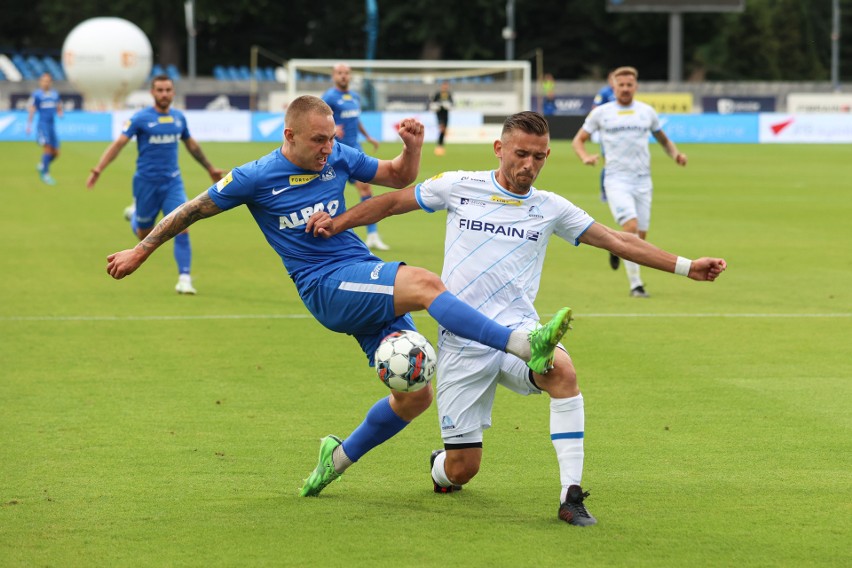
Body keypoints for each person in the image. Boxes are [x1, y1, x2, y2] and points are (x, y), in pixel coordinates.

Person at [104, 95, 574, 500]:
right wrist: (141, 249)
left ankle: (337, 459)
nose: (328, 149)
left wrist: (411, 149)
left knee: (416, 394)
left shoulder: (336, 156)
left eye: (331, 139)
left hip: (359, 275)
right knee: (427, 284)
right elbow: (192, 209)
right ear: (289, 135)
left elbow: (395, 176)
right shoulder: (254, 177)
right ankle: (519, 344)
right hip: (326, 285)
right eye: (318, 141)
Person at [307, 111, 726, 526]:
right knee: (462, 470)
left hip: (521, 333)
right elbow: (393, 202)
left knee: (561, 370)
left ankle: (571, 495)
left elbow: (617, 239)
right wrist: (338, 224)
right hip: (462, 345)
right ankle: (440, 467)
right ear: (499, 149)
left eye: (540, 157)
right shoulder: (459, 185)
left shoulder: (551, 208)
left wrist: (688, 266)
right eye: (521, 154)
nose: (529, 165)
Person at [87, 74, 223, 295]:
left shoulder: (179, 118)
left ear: (173, 93)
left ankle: (184, 278)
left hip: (172, 183)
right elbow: (119, 144)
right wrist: (98, 169)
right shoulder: (140, 118)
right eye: (159, 90)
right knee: (143, 234)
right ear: (152, 92)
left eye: (168, 90)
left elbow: (192, 146)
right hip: (146, 184)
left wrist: (209, 168)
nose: (164, 94)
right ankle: (134, 215)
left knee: (183, 225)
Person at [572, 66, 688, 298]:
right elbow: (579, 140)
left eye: (629, 85)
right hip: (616, 179)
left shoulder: (646, 112)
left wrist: (675, 154)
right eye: (621, 85)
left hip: (643, 181)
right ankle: (636, 285)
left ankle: (617, 248)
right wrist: (585, 157)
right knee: (631, 228)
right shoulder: (601, 113)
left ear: (635, 87)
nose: (625, 89)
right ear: (612, 87)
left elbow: (663, 139)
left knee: (640, 239)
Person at [321, 63, 389, 251]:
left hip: (355, 151)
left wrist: (368, 137)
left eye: (346, 73)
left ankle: (373, 235)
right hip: (336, 152)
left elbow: (355, 119)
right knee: (329, 193)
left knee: (366, 189)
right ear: (334, 76)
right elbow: (318, 117)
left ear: (350, 76)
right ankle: (325, 232)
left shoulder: (355, 96)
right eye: (340, 73)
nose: (343, 76)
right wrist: (333, 129)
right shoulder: (329, 97)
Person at [26, 72, 63, 186]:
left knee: (56, 153)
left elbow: (58, 105)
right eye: (43, 80)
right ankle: (46, 175)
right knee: (47, 148)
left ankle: (43, 165)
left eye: (48, 81)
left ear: (50, 82)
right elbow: (32, 109)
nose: (46, 83)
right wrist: (29, 125)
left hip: (52, 125)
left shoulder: (55, 94)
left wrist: (60, 112)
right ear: (40, 82)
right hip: (43, 125)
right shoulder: (37, 95)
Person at [591, 70, 616, 208]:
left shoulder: (620, 94)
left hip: (621, 135)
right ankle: (604, 191)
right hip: (607, 134)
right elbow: (595, 108)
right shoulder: (604, 93)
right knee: (608, 162)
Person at [430, 80, 453, 155]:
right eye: (444, 86)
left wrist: (447, 105)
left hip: (446, 114)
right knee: (442, 128)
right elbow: (432, 103)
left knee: (444, 130)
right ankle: (439, 145)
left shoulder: (449, 94)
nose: (445, 87)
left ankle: (441, 145)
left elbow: (452, 103)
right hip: (439, 113)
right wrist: (437, 105)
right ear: (442, 86)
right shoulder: (438, 94)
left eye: (446, 86)